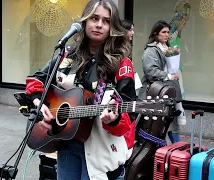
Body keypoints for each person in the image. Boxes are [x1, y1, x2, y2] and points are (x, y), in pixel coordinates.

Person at [25, 0, 137, 179]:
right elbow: (36, 79)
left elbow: (129, 111)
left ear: (112, 27)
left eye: (106, 21)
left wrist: (114, 120)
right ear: (84, 21)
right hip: (66, 142)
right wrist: (40, 104)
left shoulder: (121, 62)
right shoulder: (67, 53)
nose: (99, 25)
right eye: (94, 18)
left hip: (101, 149)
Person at [138, 20, 184, 143]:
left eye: (168, 32)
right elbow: (150, 71)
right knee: (155, 126)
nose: (166, 35)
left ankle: (177, 149)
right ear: (156, 34)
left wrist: (173, 75)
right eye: (163, 32)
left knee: (171, 124)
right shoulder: (151, 50)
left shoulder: (167, 48)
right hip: (154, 93)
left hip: (166, 92)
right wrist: (168, 76)